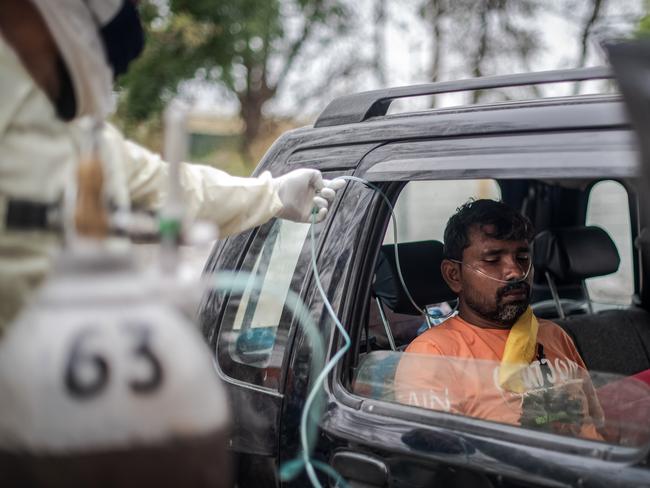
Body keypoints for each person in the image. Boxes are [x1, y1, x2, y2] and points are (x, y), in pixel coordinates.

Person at [0, 0, 344, 333]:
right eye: (131, 4)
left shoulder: (73, 135)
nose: (131, 22)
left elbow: (173, 189)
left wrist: (273, 194)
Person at [394, 199, 604, 439]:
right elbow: (446, 462)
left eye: (523, 258)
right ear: (454, 275)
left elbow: (596, 424)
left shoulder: (553, 334)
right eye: (492, 260)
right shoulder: (433, 354)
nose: (515, 271)